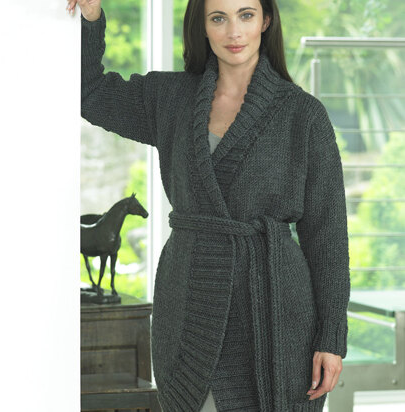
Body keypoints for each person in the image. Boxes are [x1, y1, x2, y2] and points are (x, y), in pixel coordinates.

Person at [70, 0, 351, 410]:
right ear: (202, 27)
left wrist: (331, 338)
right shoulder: (170, 99)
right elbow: (89, 92)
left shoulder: (303, 115)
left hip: (275, 316)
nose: (233, 32)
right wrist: (92, 17)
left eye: (246, 15)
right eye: (218, 18)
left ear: (265, 21)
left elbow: (327, 236)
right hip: (188, 306)